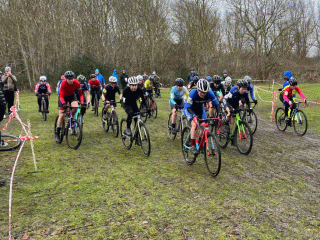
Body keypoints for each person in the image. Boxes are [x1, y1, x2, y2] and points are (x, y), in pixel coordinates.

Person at [184, 78, 221, 155]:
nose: (203, 94)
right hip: (190, 109)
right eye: (201, 92)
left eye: (205, 92)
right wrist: (194, 116)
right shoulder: (193, 93)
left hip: (200, 110)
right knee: (195, 125)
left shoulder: (210, 93)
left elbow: (217, 104)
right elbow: (188, 107)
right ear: (197, 89)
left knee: (204, 126)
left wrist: (219, 114)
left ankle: (200, 144)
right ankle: (193, 145)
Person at [55, 71, 84, 143]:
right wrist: (64, 103)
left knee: (76, 107)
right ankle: (58, 132)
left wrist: (82, 103)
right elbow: (61, 95)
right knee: (61, 115)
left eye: (71, 78)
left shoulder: (77, 83)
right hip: (63, 97)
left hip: (71, 96)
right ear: (66, 79)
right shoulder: (63, 83)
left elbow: (80, 94)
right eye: (69, 79)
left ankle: (72, 118)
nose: (70, 80)